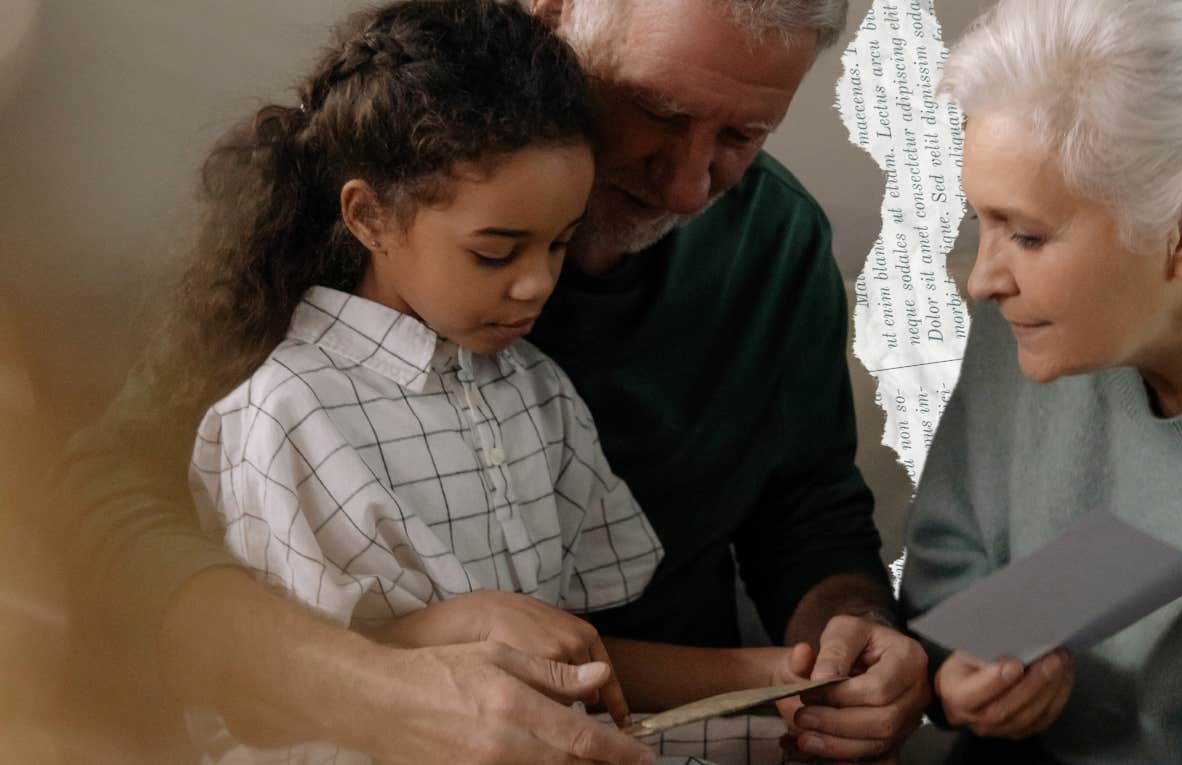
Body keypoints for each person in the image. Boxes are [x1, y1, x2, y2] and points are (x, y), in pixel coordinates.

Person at [53, 0, 929, 762]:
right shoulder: (364, 197)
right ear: (553, 12)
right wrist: (379, 692)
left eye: (742, 136)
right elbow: (108, 503)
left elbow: (809, 512)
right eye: (656, 110)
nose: (691, 185)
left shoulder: (776, 244)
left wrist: (852, 641)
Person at [900, 0, 1182, 762]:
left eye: (1028, 234)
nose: (982, 280)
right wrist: (958, 677)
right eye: (982, 222)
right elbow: (945, 572)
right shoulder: (1032, 324)